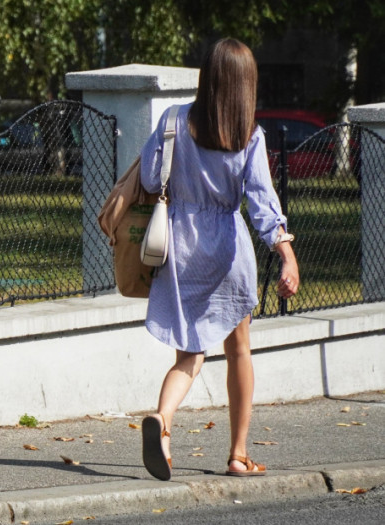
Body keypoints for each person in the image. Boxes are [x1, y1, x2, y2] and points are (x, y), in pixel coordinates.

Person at [137, 38, 299, 481]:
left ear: (206, 76)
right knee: (239, 349)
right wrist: (286, 254)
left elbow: (151, 178)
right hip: (227, 248)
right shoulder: (250, 136)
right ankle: (238, 454)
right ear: (246, 85)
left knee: (189, 355)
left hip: (180, 249)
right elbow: (262, 204)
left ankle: (163, 421)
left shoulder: (173, 121)